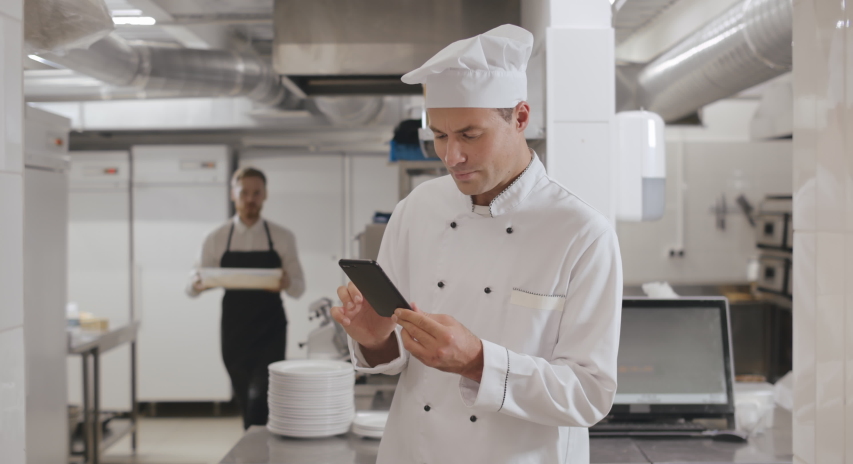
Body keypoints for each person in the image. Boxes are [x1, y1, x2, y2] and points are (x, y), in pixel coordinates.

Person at [331, 25, 623, 463]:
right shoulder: (418, 209)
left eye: (470, 135)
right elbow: (398, 352)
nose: (452, 157)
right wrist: (376, 341)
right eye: (439, 136)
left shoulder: (581, 233)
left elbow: (590, 394)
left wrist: (479, 361)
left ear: (520, 118)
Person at [187, 167, 305, 429]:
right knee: (244, 397)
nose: (250, 199)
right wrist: (198, 283)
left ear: (265, 195)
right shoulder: (215, 238)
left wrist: (286, 282)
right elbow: (191, 287)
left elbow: (299, 288)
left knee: (260, 398)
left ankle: (256, 446)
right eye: (244, 193)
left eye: (256, 193)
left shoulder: (282, 237)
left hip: (271, 330)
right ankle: (256, 443)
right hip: (234, 331)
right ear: (233, 194)